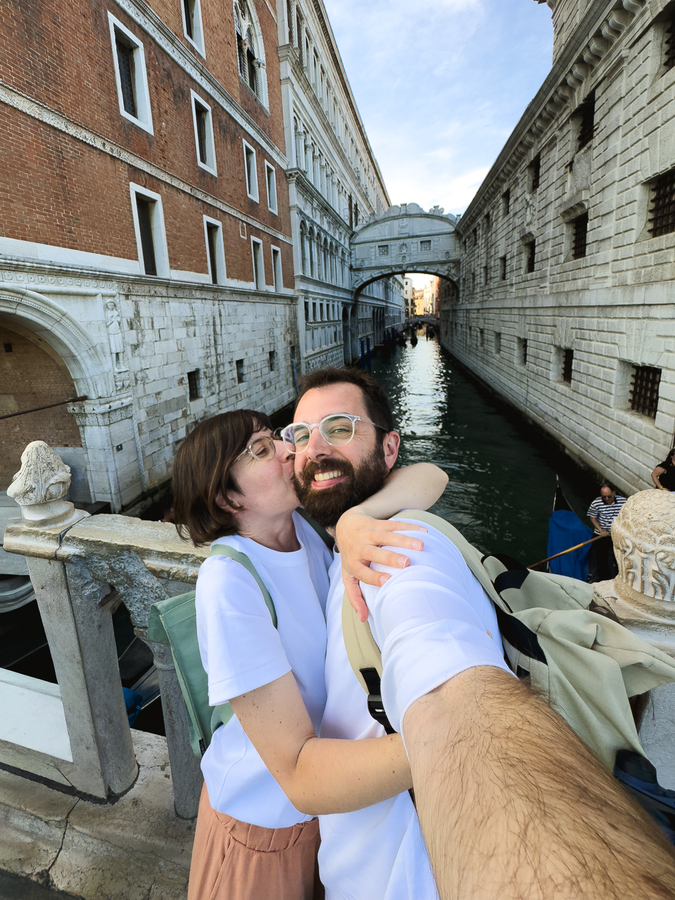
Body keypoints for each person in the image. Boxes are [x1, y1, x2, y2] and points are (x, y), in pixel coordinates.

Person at [287, 367, 675, 900]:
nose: (315, 448)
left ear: (389, 446)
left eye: (338, 427)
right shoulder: (339, 541)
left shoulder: (399, 562)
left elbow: (451, 699)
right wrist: (356, 518)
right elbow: (432, 476)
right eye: (300, 435)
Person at [171, 409, 447, 900]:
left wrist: (357, 518)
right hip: (261, 827)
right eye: (261, 450)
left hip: (328, 805)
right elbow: (295, 767)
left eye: (277, 438)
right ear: (226, 496)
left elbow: (429, 476)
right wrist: (443, 741)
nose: (288, 450)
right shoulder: (229, 582)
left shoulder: (310, 529)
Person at [587, 483, 626, 581]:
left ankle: (619, 575)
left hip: (617, 534)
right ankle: (603, 575)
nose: (607, 499)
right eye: (604, 497)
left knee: (618, 555)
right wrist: (601, 530)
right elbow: (592, 518)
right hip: (602, 534)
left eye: (609, 496)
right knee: (601, 556)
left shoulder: (623, 501)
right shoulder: (596, 503)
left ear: (614, 493)